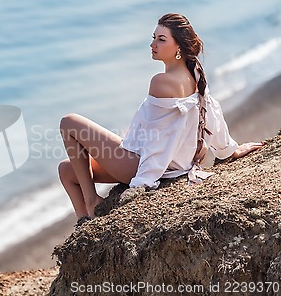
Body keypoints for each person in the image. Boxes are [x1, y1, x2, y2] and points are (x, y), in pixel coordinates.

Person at [58, 13, 264, 219]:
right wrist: (229, 150)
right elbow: (210, 114)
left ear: (179, 47)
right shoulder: (195, 73)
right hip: (175, 162)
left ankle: (92, 201)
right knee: (67, 170)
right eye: (153, 37)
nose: (153, 44)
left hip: (142, 164)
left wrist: (143, 181)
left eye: (161, 39)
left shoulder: (161, 82)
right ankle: (85, 221)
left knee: (69, 122)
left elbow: (158, 139)